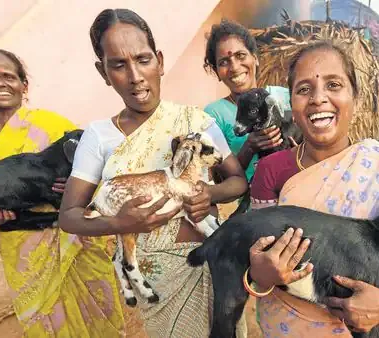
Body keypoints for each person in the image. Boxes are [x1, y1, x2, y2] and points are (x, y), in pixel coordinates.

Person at [57, 9, 248, 338]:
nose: (135, 76)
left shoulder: (195, 122)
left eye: (143, 59)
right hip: (153, 284)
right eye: (118, 65)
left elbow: (237, 182)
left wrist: (209, 194)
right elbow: (70, 216)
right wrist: (119, 224)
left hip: (208, 266)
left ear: (159, 61)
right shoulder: (99, 136)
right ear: (103, 72)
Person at [245, 41, 379, 337]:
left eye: (334, 84)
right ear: (291, 103)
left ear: (355, 96)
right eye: (303, 89)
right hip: (286, 324)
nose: (318, 98)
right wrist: (258, 274)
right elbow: (255, 250)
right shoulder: (270, 170)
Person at [0, 48, 126, 336]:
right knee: (45, 320)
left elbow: (95, 169)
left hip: (74, 236)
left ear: (24, 85)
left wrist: (78, 185)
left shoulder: (52, 125)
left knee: (95, 311)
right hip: (21, 244)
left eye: (8, 76)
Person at [203, 19, 291, 182]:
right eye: (224, 62)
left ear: (255, 58)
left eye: (240, 55)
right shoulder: (213, 115)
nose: (234, 67)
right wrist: (249, 148)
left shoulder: (284, 97)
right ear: (216, 72)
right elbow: (217, 179)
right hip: (251, 203)